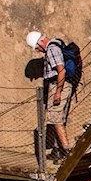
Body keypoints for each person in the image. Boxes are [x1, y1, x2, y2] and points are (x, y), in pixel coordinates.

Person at [26, 31, 73, 159]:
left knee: (56, 118)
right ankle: (58, 150)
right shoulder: (56, 45)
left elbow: (61, 70)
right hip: (59, 85)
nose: (37, 50)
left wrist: (58, 92)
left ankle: (67, 151)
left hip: (58, 85)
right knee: (54, 118)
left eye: (36, 47)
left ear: (40, 43)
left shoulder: (52, 49)